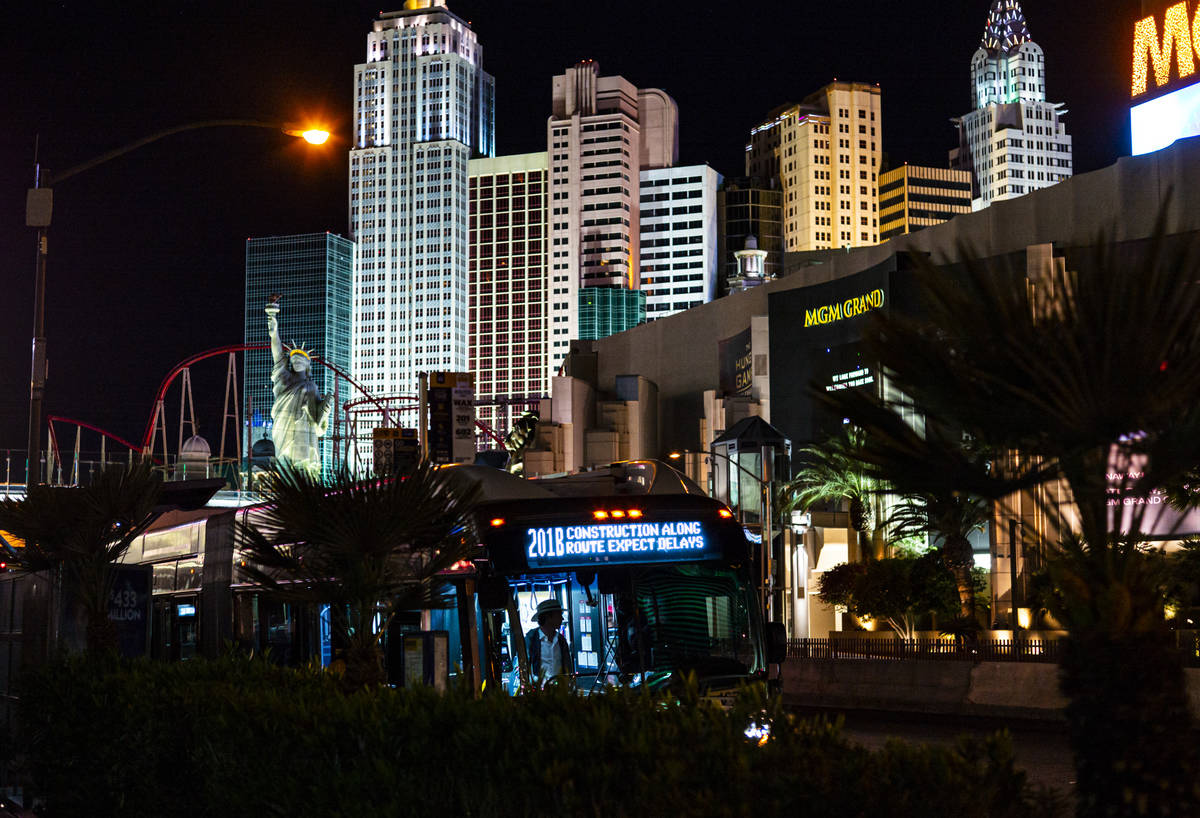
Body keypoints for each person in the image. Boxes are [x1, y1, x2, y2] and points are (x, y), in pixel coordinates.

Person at [266, 297, 332, 477]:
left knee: (303, 466)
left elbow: (319, 424)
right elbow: (278, 355)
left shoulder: (312, 386)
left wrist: (325, 411)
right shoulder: (285, 378)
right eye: (293, 360)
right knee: (285, 463)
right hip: (284, 425)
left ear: (307, 365)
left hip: (304, 430)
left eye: (300, 360)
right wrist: (274, 330)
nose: (296, 362)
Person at [524, 598, 573, 688]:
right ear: (548, 617)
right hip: (539, 692)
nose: (562, 619)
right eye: (558, 615)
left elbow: (567, 666)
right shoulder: (531, 639)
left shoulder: (561, 640)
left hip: (560, 691)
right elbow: (524, 666)